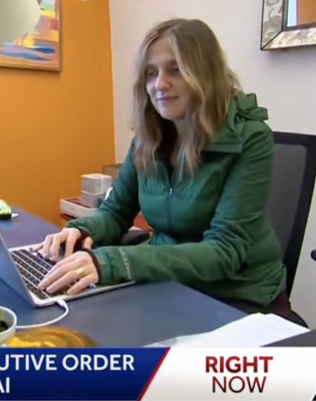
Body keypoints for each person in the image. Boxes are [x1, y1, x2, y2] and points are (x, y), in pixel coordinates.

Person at [36, 18, 298, 322]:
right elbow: (116, 212)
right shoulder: (148, 140)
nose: (159, 84)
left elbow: (223, 252)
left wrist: (115, 260)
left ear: (206, 74)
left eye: (175, 69)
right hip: (169, 286)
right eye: (151, 73)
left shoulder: (251, 138)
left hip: (236, 296)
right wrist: (82, 231)